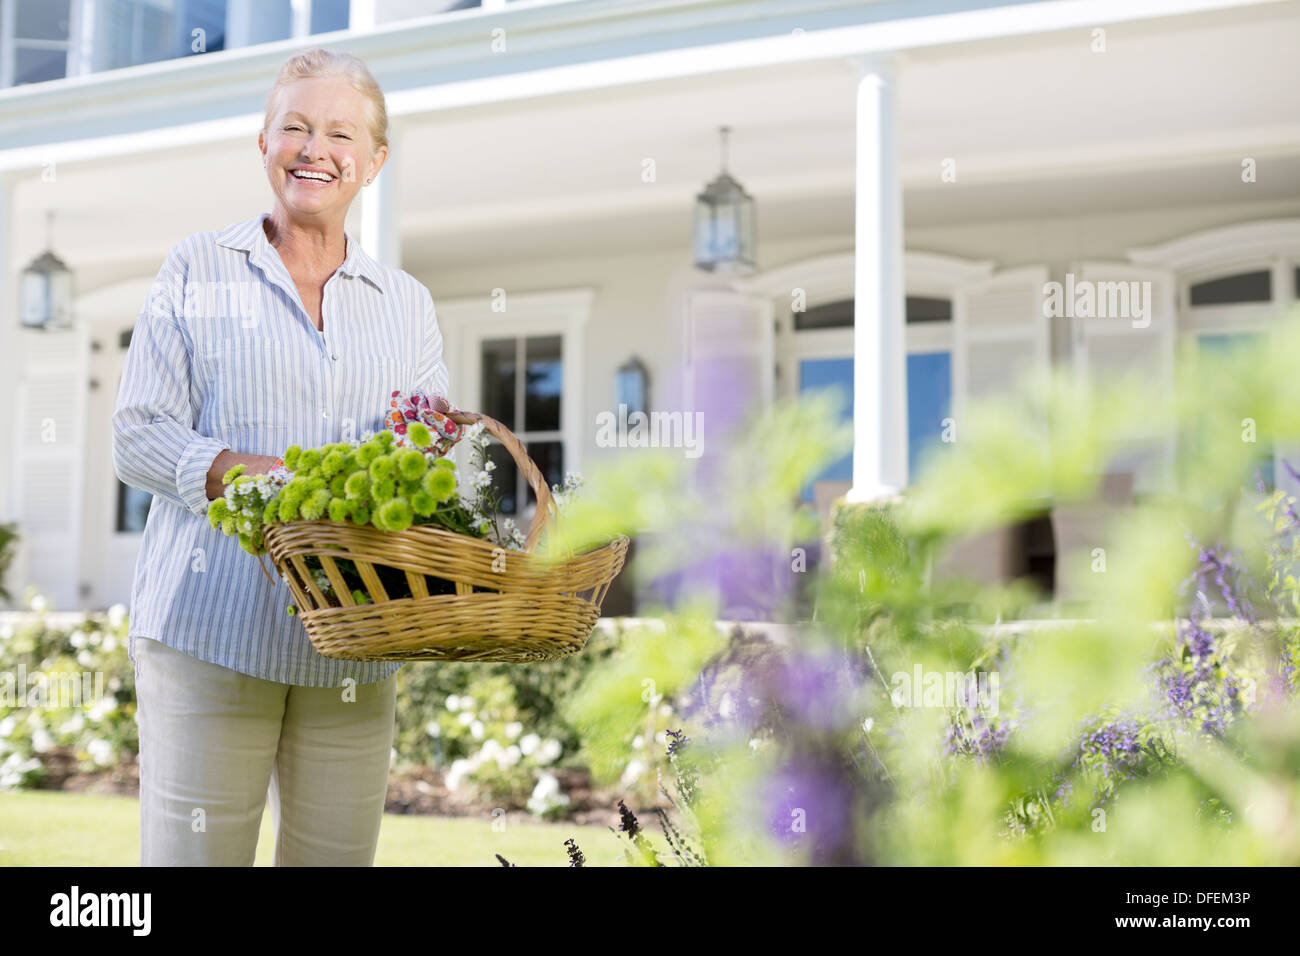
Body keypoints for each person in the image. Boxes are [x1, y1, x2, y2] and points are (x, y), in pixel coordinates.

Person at [111, 48, 453, 866]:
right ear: (261, 144)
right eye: (294, 127)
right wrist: (256, 475)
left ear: (372, 162)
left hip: (352, 644)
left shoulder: (405, 304)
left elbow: (432, 446)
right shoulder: (199, 266)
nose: (315, 148)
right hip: (210, 629)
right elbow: (137, 433)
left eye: (340, 133)